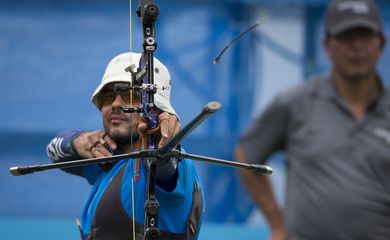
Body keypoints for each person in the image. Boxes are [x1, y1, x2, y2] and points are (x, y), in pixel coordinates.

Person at [235, 0, 390, 239]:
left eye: (365, 36)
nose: (357, 46)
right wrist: (277, 224)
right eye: (347, 37)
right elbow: (247, 155)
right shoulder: (294, 103)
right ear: (328, 46)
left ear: (381, 43)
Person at [46, 52, 203, 240]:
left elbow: (164, 168)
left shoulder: (172, 164)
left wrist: (164, 147)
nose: (116, 104)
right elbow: (54, 151)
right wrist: (78, 140)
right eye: (108, 96)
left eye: (130, 95)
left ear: (155, 108)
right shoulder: (106, 157)